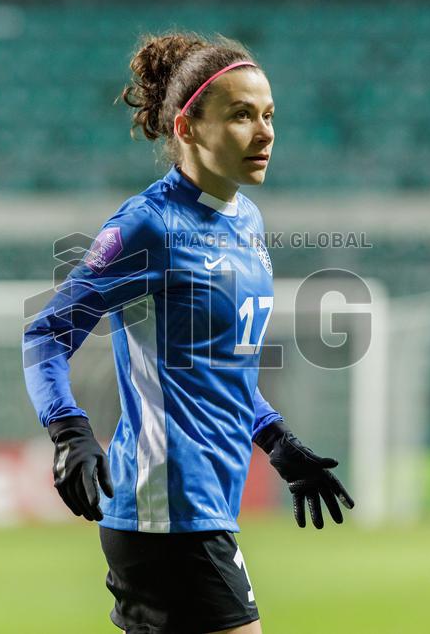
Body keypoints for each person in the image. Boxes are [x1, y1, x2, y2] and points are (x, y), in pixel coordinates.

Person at [23, 31, 353, 634]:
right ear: (187, 127)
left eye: (269, 115)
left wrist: (276, 441)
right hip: (167, 511)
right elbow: (46, 334)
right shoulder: (149, 226)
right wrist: (69, 431)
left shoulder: (247, 222)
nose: (265, 132)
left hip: (201, 511)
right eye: (241, 115)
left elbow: (215, 368)